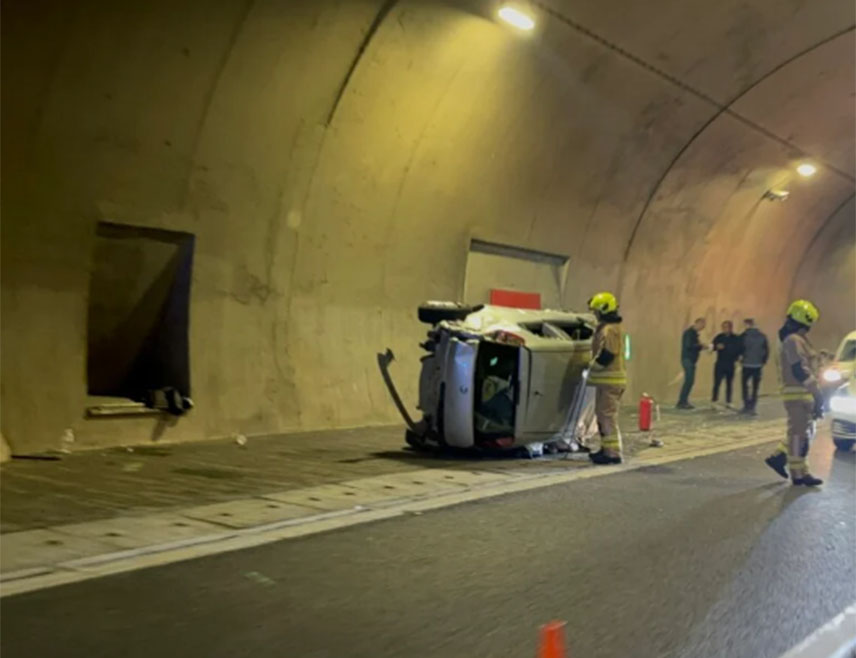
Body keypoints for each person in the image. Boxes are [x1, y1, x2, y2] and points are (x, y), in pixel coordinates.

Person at [764, 300, 824, 487]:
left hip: (801, 395)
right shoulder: (793, 340)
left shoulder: (794, 340)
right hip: (798, 395)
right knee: (798, 435)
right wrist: (817, 392)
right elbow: (799, 369)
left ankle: (793, 467)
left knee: (802, 434)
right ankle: (798, 473)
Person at [586, 291, 627, 465]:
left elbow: (607, 354)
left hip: (610, 381)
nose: (595, 314)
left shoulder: (610, 330)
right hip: (607, 381)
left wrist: (591, 366)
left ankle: (612, 453)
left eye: (596, 311)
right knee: (603, 416)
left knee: (607, 416)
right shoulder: (609, 328)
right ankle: (606, 449)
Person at [739, 318, 768, 415]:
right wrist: (763, 361)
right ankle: (753, 406)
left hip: (746, 364)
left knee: (745, 386)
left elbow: (740, 349)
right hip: (758, 365)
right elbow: (766, 350)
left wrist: (740, 359)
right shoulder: (762, 336)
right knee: (755, 387)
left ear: (747, 325)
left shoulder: (744, 336)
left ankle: (746, 405)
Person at [711, 321, 742, 408]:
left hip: (730, 363)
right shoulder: (719, 337)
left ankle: (728, 401)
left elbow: (739, 349)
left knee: (729, 383)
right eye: (723, 327)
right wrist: (716, 347)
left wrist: (737, 358)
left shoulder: (736, 338)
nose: (725, 329)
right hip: (720, 363)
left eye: (727, 327)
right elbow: (712, 347)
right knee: (717, 383)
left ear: (731, 328)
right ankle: (714, 400)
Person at [677, 317, 706, 409]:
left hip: (690, 360)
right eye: (702, 325)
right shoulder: (690, 333)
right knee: (689, 380)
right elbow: (689, 345)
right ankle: (682, 402)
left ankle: (683, 401)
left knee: (689, 381)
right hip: (688, 359)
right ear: (697, 323)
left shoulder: (693, 334)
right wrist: (700, 346)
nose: (703, 327)